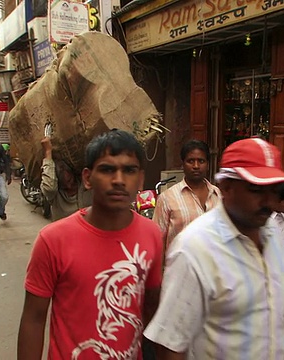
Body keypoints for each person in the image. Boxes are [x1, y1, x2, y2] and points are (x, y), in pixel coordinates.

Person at [144, 137, 284, 359]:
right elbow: (171, 345)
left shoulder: (273, 233)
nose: (268, 201)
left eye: (274, 191)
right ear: (226, 187)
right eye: (255, 189)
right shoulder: (194, 249)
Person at [17, 129, 163, 359]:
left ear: (141, 179)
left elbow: (152, 309)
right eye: (107, 169)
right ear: (87, 178)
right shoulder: (53, 240)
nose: (118, 180)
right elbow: (33, 320)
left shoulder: (153, 235)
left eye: (129, 170)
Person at [152, 139, 221, 249]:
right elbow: (157, 242)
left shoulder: (218, 195)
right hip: (179, 265)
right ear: (183, 164)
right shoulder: (167, 198)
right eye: (191, 161)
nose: (196, 166)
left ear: (208, 164)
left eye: (201, 161)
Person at [39, 137, 92, 221]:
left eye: (65, 169)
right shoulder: (55, 196)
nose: (69, 184)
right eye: (59, 173)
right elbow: (49, 187)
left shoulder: (87, 185)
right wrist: (48, 152)